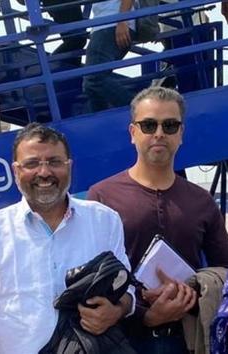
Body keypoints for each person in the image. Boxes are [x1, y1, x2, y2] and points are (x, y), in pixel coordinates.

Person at [0, 122, 134, 354]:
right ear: (16, 171)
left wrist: (117, 310)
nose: (44, 173)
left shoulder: (104, 220)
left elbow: (127, 288)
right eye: (32, 163)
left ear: (69, 166)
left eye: (54, 162)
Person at [87, 86, 228, 353]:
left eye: (170, 125)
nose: (159, 133)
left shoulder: (202, 201)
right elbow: (92, 272)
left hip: (189, 337)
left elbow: (224, 270)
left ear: (181, 134)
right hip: (122, 339)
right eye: (149, 125)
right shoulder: (101, 196)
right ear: (133, 133)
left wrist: (192, 295)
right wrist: (142, 311)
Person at [82, 0, 136, 112]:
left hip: (111, 24)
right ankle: (100, 122)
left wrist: (122, 21)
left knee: (94, 79)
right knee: (92, 86)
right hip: (108, 24)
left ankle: (141, 111)